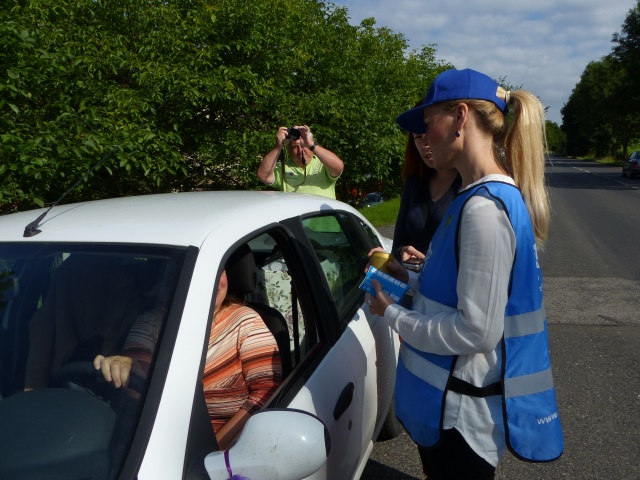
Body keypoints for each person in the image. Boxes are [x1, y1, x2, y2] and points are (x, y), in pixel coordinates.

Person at [368, 69, 563, 480]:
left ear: (459, 117)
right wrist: (413, 279)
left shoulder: (483, 210)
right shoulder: (474, 197)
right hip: (450, 409)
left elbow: (476, 332)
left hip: (462, 421)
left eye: (427, 123)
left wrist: (390, 312)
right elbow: (462, 291)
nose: (423, 137)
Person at [95, 264, 282, 449]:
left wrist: (213, 451)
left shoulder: (245, 321)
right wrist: (122, 367)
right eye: (203, 269)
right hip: (161, 447)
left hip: (232, 450)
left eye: (221, 271)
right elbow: (138, 382)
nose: (215, 281)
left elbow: (266, 392)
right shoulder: (151, 323)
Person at [392, 104, 461, 267]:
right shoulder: (413, 183)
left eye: (429, 134)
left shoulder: (469, 181)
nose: (425, 144)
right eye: (418, 137)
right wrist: (402, 251)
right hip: (417, 284)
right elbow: (397, 245)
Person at [257, 125, 344, 199]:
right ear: (289, 150)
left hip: (323, 217)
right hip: (297, 218)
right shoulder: (283, 167)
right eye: (295, 147)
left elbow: (338, 167)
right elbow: (263, 176)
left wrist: (310, 144)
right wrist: (278, 146)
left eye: (303, 146)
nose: (300, 150)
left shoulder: (323, 164)